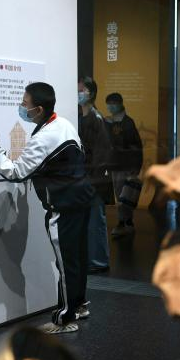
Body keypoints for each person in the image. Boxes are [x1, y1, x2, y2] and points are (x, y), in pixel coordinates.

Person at [0, 82, 94, 334]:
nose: (22, 107)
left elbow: (16, 172)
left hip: (63, 206)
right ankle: (79, 305)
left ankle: (65, 319)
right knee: (77, 257)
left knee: (65, 263)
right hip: (81, 199)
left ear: (39, 109)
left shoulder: (44, 138)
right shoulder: (63, 124)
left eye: (25, 104)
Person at [77, 77, 113, 273]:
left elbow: (102, 154)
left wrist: (92, 179)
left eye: (81, 90)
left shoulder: (96, 119)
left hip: (95, 180)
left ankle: (98, 261)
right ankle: (92, 259)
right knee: (88, 221)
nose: (78, 93)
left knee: (95, 221)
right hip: (86, 178)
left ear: (90, 93)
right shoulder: (82, 117)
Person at [103, 92, 143, 238]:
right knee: (120, 196)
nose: (110, 107)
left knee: (124, 197)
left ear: (120, 104)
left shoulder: (127, 123)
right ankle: (126, 222)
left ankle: (125, 223)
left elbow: (136, 147)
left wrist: (135, 168)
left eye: (113, 104)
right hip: (114, 165)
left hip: (125, 166)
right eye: (109, 104)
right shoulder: (108, 122)